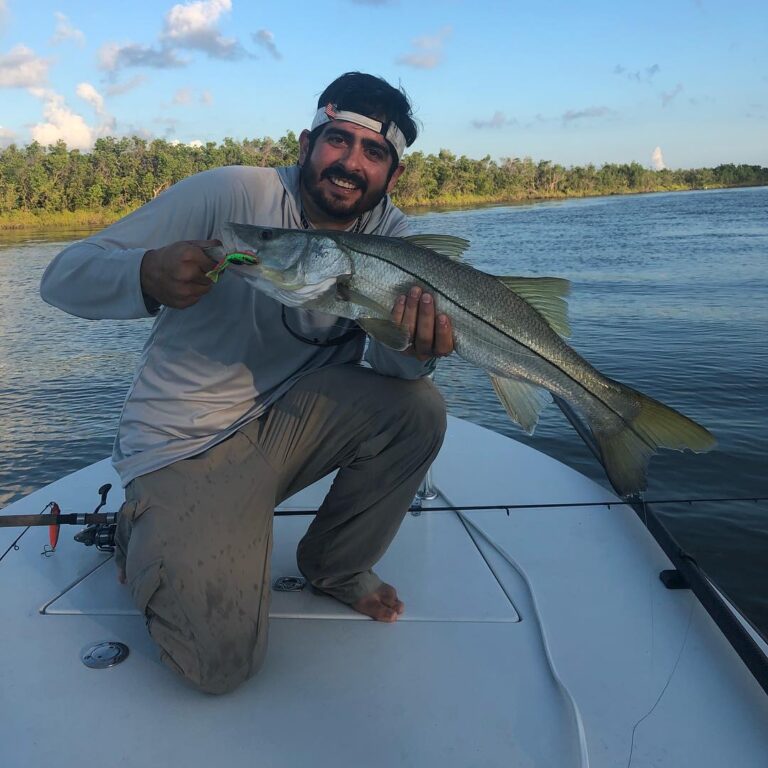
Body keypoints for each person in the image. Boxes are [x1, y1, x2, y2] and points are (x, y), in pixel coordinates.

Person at [40, 72, 452, 694]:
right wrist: (145, 275)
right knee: (219, 665)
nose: (350, 163)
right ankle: (144, 523)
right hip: (185, 442)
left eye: (374, 153)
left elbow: (394, 376)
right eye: (337, 140)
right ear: (306, 141)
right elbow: (61, 276)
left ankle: (336, 568)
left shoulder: (393, 239)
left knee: (418, 406)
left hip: (289, 429)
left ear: (393, 176)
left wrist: (415, 348)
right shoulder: (231, 193)